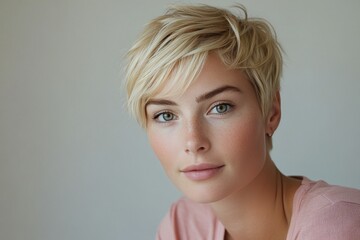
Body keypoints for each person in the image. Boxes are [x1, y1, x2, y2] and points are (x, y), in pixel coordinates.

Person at [124, 3, 360, 240]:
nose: (193, 141)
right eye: (166, 115)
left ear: (271, 111)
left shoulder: (340, 223)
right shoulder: (182, 225)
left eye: (220, 107)